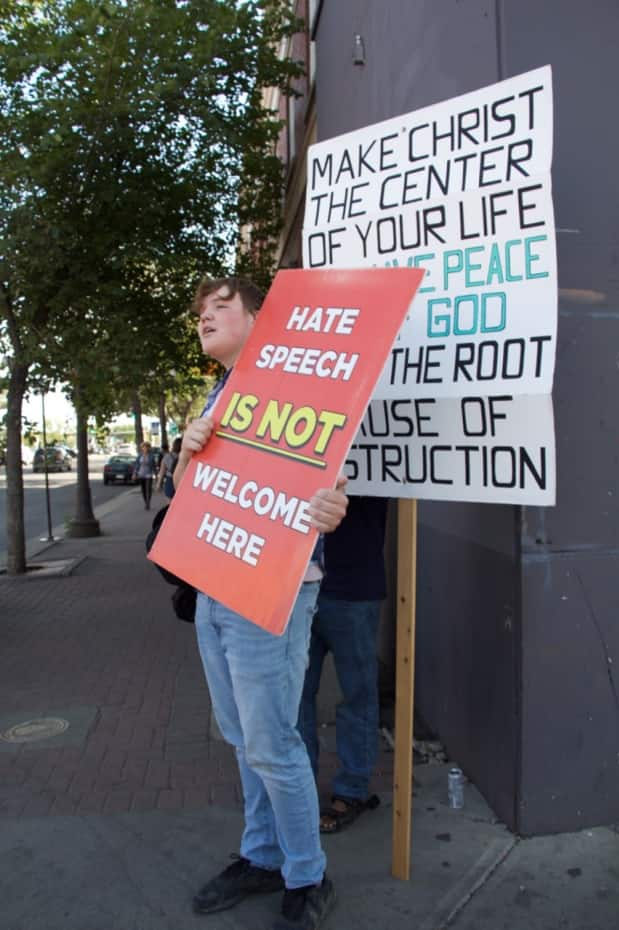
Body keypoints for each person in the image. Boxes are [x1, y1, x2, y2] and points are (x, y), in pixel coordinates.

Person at [173, 275, 348, 930]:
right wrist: (187, 454)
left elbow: (328, 478)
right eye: (200, 311)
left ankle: (307, 874)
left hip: (272, 585)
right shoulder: (219, 395)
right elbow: (194, 493)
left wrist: (335, 506)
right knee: (243, 737)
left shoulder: (293, 387)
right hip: (215, 587)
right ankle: (263, 855)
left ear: (259, 319)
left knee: (272, 741)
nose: (205, 317)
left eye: (222, 306)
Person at [297, 496, 388, 833]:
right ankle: (312, 790)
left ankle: (349, 790)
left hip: (351, 585)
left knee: (355, 695)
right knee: (299, 697)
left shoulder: (375, 445)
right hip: (305, 583)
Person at [134, 441, 157, 510]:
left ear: (149, 448)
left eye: (147, 447)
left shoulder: (151, 456)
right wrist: (135, 473)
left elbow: (154, 466)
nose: (145, 448)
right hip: (141, 474)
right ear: (142, 448)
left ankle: (148, 503)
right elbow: (137, 465)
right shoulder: (139, 456)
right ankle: (145, 502)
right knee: (143, 489)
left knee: (148, 489)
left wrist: (156, 475)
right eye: (144, 447)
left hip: (148, 475)